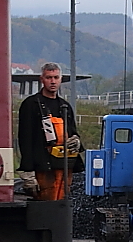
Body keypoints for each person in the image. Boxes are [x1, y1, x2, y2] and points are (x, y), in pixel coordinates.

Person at [17, 63, 84, 200]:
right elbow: (25, 139)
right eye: (49, 77)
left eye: (56, 77)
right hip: (42, 168)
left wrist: (76, 141)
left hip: (64, 167)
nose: (53, 81)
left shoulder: (65, 106)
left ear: (61, 79)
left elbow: (72, 131)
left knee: (62, 204)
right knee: (44, 207)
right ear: (42, 79)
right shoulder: (31, 105)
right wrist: (28, 171)